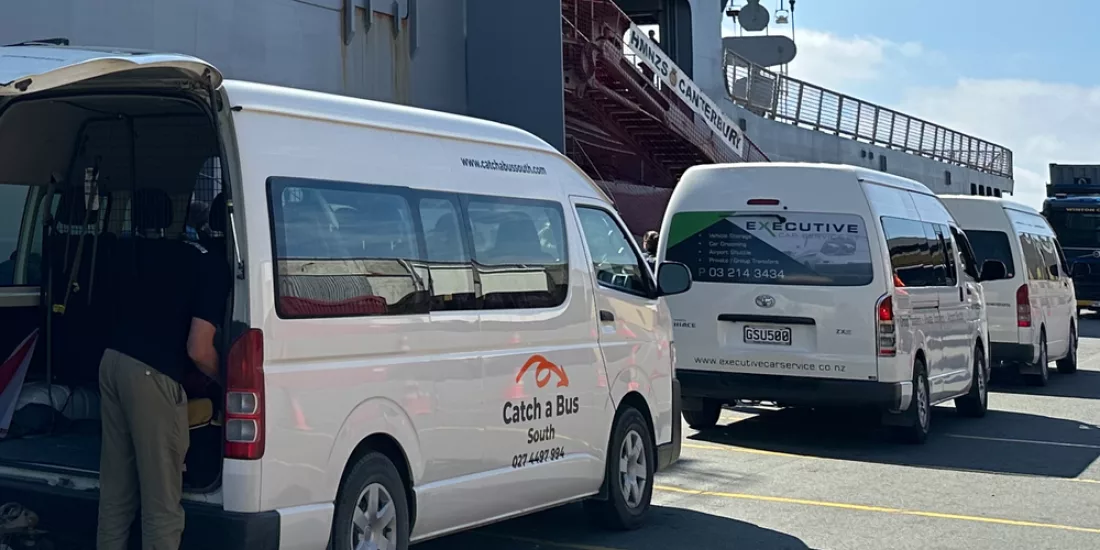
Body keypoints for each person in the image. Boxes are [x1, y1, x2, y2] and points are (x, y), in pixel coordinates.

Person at [97, 188, 230, 550]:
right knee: (162, 501)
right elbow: (199, 348)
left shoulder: (138, 251)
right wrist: (225, 381)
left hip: (111, 363)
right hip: (151, 376)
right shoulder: (212, 265)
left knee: (116, 493)